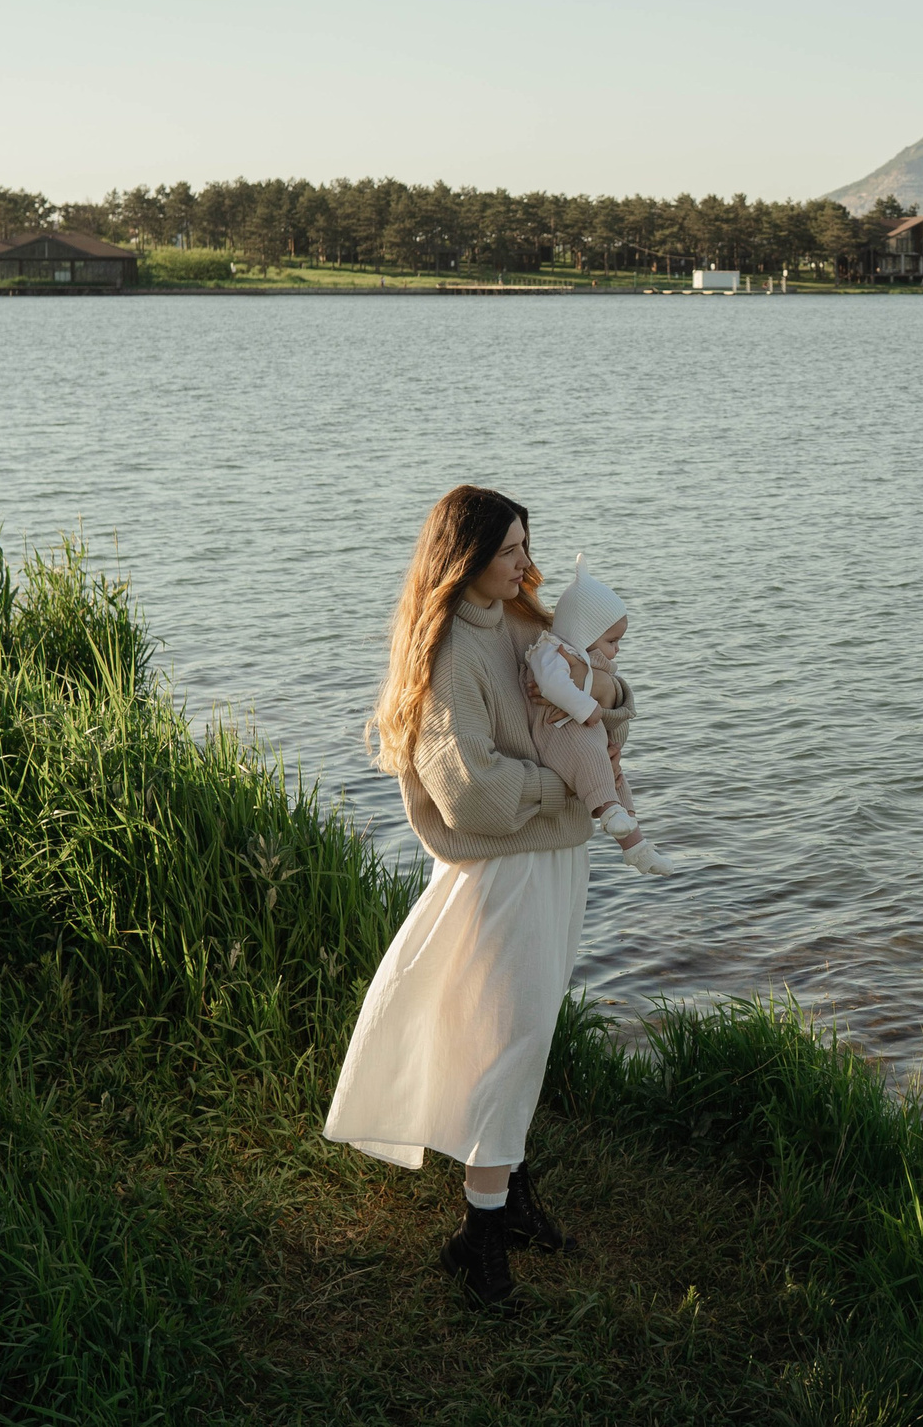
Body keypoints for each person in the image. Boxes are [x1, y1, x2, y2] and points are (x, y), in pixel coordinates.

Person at [321, 485, 633, 1310]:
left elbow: (600, 709)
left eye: (528, 546)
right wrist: (567, 789)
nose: (527, 565)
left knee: (526, 1034)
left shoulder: (523, 623)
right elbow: (473, 795)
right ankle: (478, 1242)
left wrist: (605, 696)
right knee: (505, 1045)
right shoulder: (450, 656)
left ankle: (511, 1199)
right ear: (465, 560)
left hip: (555, 862)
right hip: (502, 877)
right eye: (509, 552)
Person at [525, 553, 674, 876]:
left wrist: (598, 694)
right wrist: (588, 708)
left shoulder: (583, 659)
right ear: (584, 633)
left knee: (616, 775)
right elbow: (551, 684)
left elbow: (612, 708)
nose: (617, 649)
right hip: (558, 731)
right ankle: (610, 814)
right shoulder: (551, 650)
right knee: (593, 756)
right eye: (612, 641)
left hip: (579, 726)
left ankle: (635, 843)